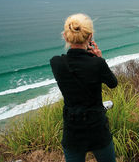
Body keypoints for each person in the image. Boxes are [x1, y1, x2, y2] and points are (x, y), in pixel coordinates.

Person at [50, 13, 118, 162]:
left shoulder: (56, 63)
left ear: (66, 37)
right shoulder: (97, 64)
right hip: (97, 128)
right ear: (90, 37)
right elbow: (113, 83)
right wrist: (99, 58)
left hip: (73, 130)